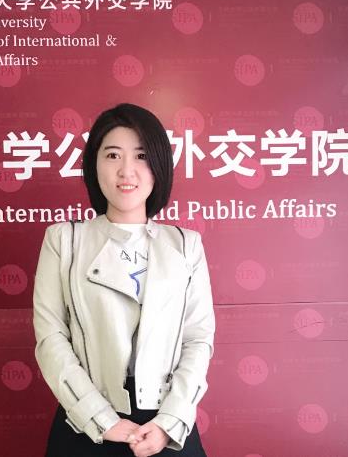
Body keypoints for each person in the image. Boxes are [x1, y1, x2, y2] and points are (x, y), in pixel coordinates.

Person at [33, 103, 215, 457]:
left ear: (158, 166)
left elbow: (198, 339)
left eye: (141, 156)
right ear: (94, 164)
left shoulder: (185, 245)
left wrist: (169, 421)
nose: (126, 170)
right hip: (85, 423)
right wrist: (101, 418)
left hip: (165, 422)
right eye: (113, 155)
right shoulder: (64, 240)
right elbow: (51, 337)